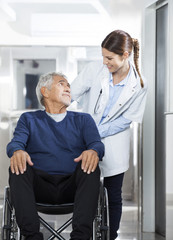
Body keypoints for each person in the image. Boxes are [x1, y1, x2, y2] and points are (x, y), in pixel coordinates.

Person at [7, 72, 104, 240]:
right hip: (39, 187)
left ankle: (80, 238)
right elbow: (16, 143)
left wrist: (93, 151)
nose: (68, 88)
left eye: (68, 86)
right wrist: (18, 151)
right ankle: (32, 237)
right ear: (45, 91)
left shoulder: (83, 120)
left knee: (91, 167)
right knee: (18, 167)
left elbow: (97, 144)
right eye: (62, 84)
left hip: (73, 187)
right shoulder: (29, 119)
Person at [70, 29, 147, 240]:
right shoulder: (95, 69)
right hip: (84, 141)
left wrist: (96, 132)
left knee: (114, 195)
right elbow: (70, 94)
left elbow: (126, 119)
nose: (105, 62)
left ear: (125, 56)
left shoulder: (139, 84)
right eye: (103, 56)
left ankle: (111, 236)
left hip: (114, 142)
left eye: (110, 58)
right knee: (85, 189)